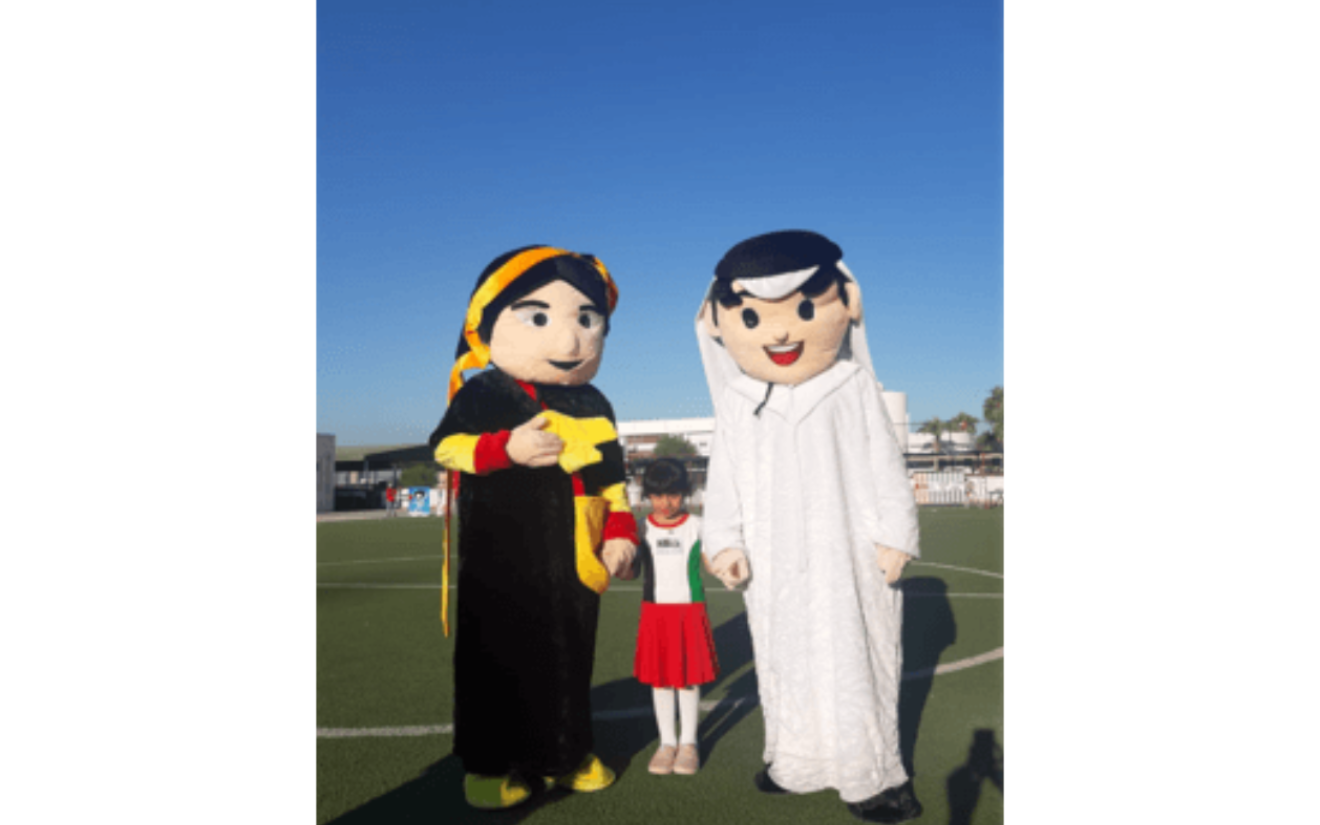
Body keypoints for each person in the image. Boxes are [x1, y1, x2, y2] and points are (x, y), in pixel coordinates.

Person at [695, 230, 923, 823]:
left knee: (855, 661)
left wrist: (896, 534)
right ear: (720, 321)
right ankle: (795, 764)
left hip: (849, 554)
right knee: (783, 661)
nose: (779, 334)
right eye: (752, 317)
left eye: (802, 311)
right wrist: (725, 542)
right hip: (773, 561)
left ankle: (871, 776)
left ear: (845, 304)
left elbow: (885, 464)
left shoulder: (851, 385)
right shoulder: (738, 398)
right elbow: (725, 479)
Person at [428, 246, 638, 810]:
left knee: (570, 658)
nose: (570, 342)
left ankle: (567, 754)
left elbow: (611, 480)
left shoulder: (595, 401)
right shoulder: (485, 392)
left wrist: (621, 532)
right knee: (495, 659)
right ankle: (491, 764)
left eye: (587, 320)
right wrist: (505, 449)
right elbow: (446, 447)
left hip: (575, 559)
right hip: (500, 558)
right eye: (538, 317)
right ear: (487, 324)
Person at [631, 459, 719, 777]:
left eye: (673, 495)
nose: (665, 503)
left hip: (689, 611)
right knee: (661, 681)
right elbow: (631, 570)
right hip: (655, 612)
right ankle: (667, 743)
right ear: (647, 495)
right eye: (657, 495)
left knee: (688, 680)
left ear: (685, 493)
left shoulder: (698, 525)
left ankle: (689, 743)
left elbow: (713, 562)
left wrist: (728, 564)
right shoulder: (640, 527)